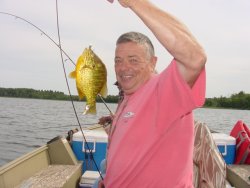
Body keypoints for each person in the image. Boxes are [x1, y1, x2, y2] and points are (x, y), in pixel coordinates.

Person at [99, 0, 207, 187]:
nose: (123, 68)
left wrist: (134, 2)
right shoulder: (128, 96)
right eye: (118, 60)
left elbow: (194, 57)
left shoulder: (162, 90)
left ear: (153, 62)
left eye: (133, 60)